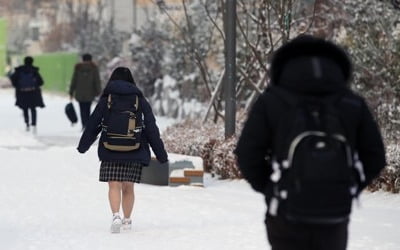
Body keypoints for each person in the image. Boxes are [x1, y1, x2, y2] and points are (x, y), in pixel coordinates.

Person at [234, 35, 386, 250]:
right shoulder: (352, 103)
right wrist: (348, 185)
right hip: (335, 212)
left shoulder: (272, 101)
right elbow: (375, 157)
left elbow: (247, 154)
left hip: (285, 212)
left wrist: (272, 187)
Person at [77, 67, 168, 233]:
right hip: (134, 148)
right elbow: (151, 128)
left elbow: (93, 124)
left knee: (113, 185)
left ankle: (115, 215)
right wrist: (161, 155)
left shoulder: (107, 99)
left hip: (110, 148)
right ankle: (127, 220)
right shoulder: (140, 100)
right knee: (128, 187)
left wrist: (83, 146)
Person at [11, 56, 45, 132]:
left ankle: (27, 124)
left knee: (25, 108)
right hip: (33, 93)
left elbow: (13, 79)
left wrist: (18, 86)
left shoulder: (19, 70)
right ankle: (34, 124)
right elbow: (41, 82)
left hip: (22, 93)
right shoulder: (34, 70)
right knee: (33, 109)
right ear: (32, 62)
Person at [69, 53, 102, 129]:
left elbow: (74, 80)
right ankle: (87, 124)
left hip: (79, 93)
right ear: (90, 59)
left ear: (83, 59)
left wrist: (71, 92)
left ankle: (84, 124)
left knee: (82, 109)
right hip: (90, 93)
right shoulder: (94, 68)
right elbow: (97, 81)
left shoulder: (78, 68)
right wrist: (99, 91)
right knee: (88, 109)